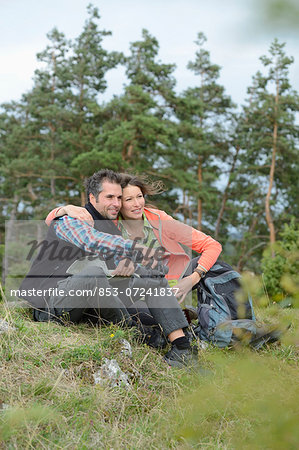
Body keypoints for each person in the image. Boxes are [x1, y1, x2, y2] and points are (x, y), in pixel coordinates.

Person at [21, 169, 198, 368]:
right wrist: (133, 247)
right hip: (51, 304)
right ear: (92, 197)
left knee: (154, 278)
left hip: (90, 301)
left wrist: (136, 266)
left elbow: (119, 262)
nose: (116, 203)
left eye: (119, 197)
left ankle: (182, 347)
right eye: (109, 197)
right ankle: (136, 332)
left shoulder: (111, 227)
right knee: (94, 275)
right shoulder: (70, 219)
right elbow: (91, 241)